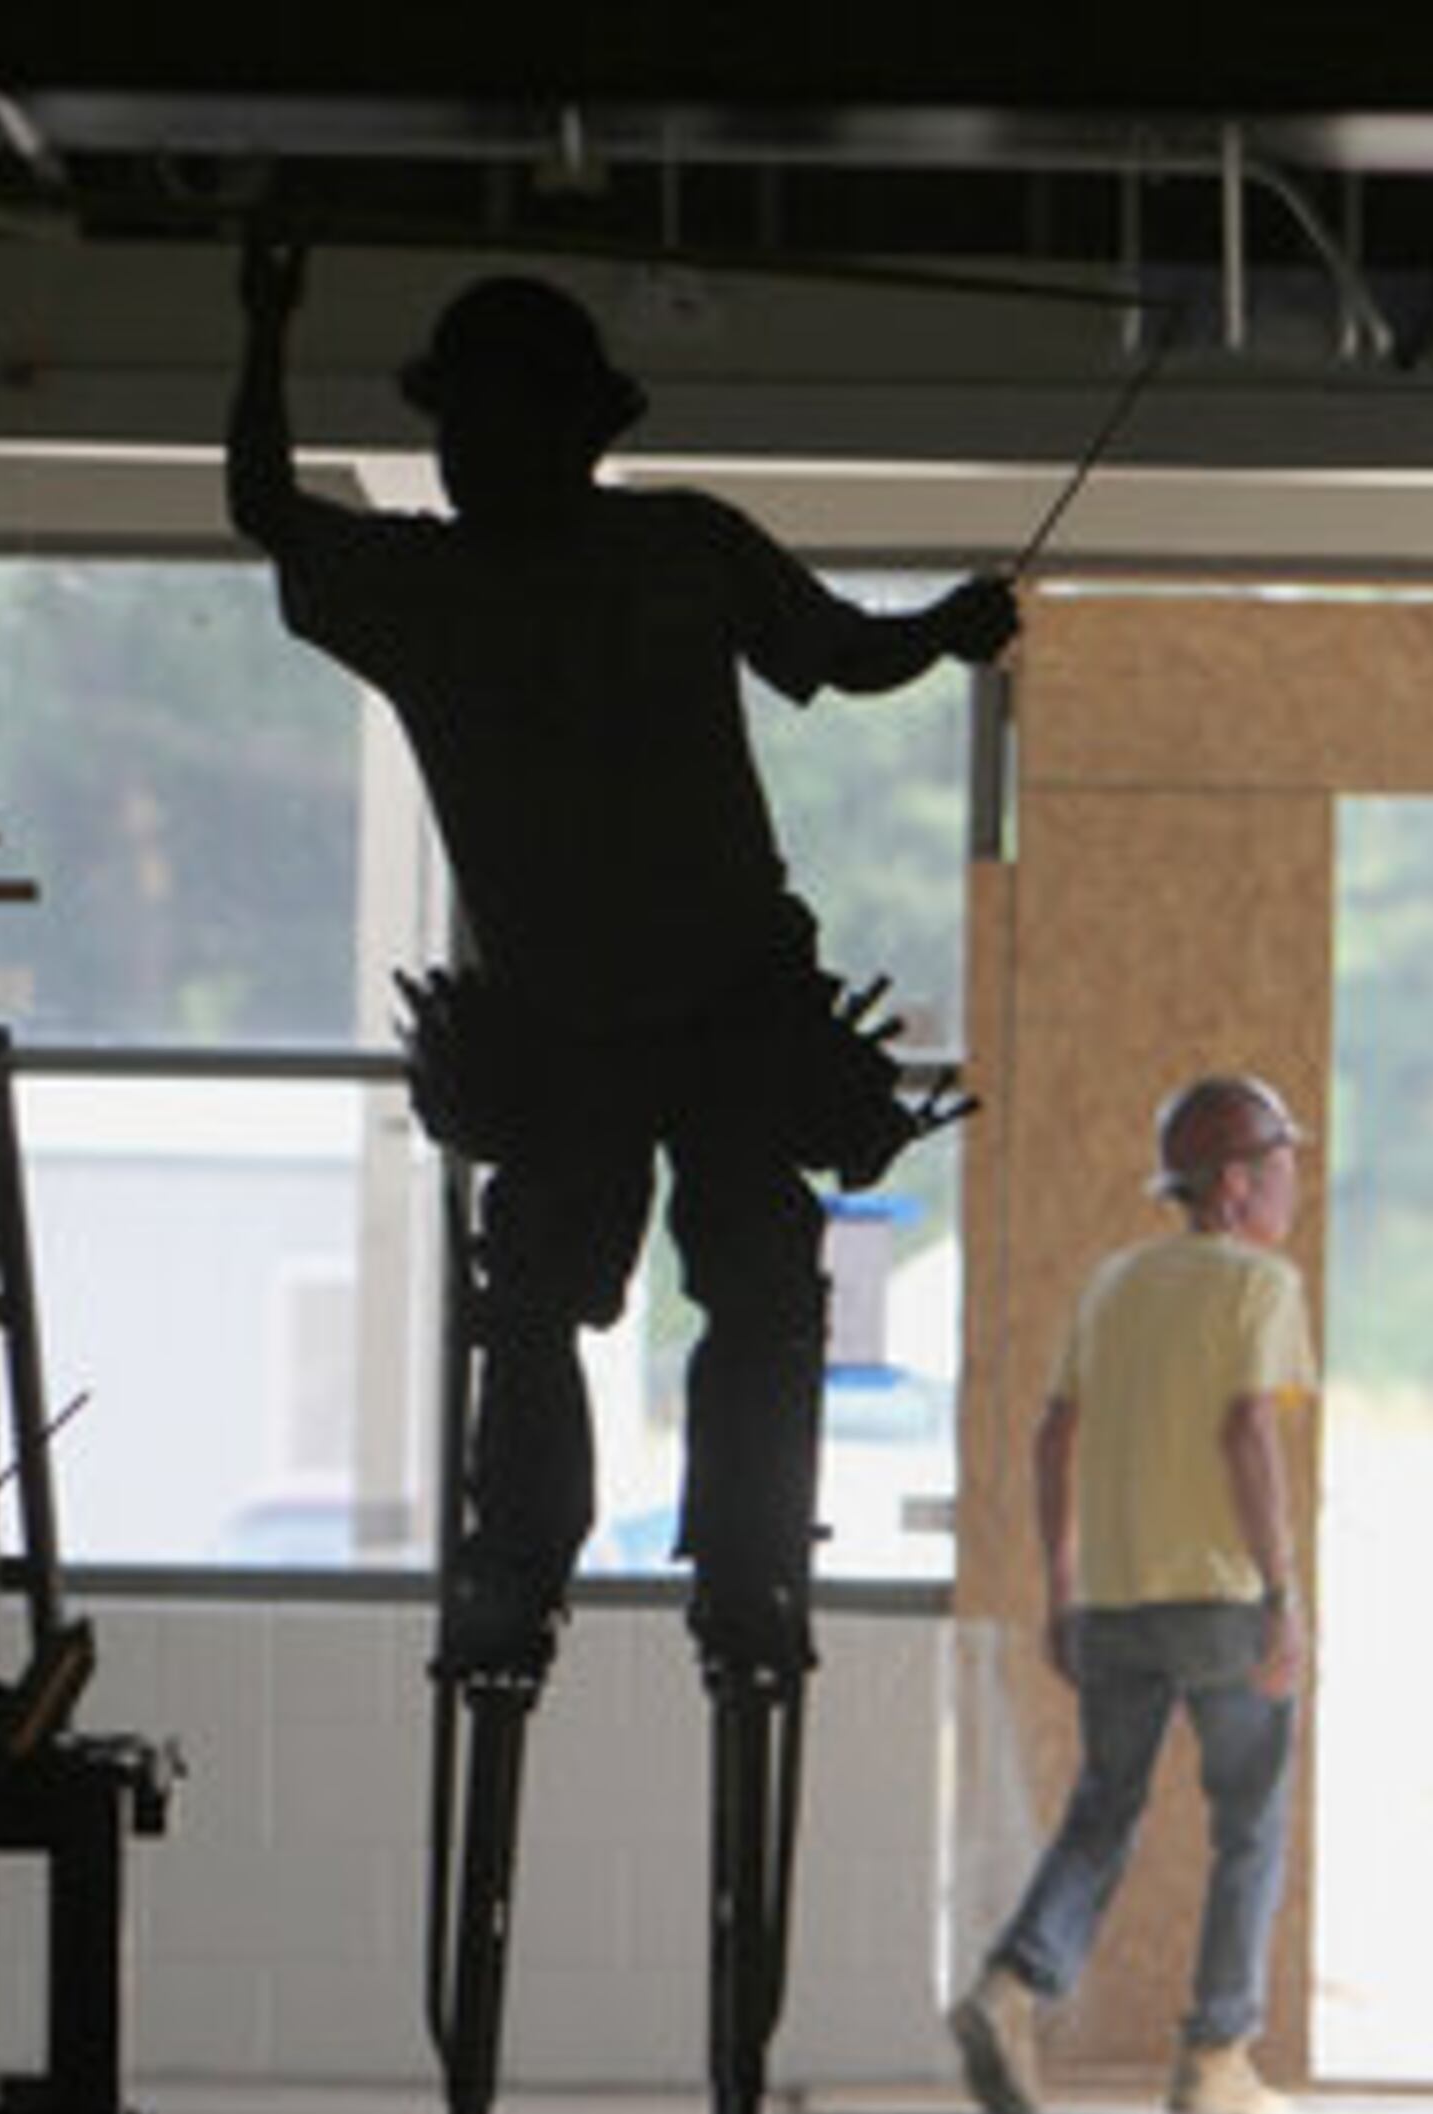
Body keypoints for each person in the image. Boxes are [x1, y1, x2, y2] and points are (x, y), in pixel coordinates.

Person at [227, 237, 1016, 1686]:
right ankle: (530, 1568)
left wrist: (943, 633)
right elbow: (266, 507)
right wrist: (266, 330)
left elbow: (845, 653)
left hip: (708, 1004)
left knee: (748, 1281)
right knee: (547, 1293)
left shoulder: (666, 553)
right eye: (457, 425)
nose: (470, 452)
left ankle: (737, 1564)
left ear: (576, 433)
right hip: (575, 1019)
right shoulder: (456, 580)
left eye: (494, 420)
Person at [947, 1071, 1318, 2114]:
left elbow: (1053, 1434)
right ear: (1238, 1184)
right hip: (1219, 1600)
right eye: (1283, 1165)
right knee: (1249, 1823)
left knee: (1105, 1808)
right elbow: (1248, 1430)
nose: (1294, 1186)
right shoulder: (1260, 1287)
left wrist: (1063, 1584)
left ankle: (1012, 1986)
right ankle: (1214, 2058)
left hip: (1113, 1600)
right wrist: (1283, 1597)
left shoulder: (1115, 1284)